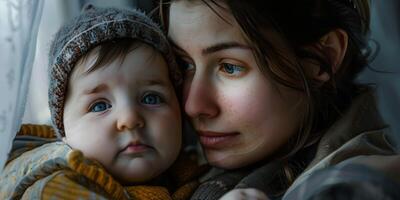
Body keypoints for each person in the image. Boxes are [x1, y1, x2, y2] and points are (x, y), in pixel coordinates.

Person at [159, 0, 400, 199]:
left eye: (230, 67)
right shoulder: (175, 170)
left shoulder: (357, 185)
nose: (193, 106)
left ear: (320, 58)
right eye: (185, 64)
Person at [0, 5, 205, 200]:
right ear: (63, 131)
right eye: (99, 106)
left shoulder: (204, 174)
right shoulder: (55, 188)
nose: (129, 119)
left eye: (151, 98)